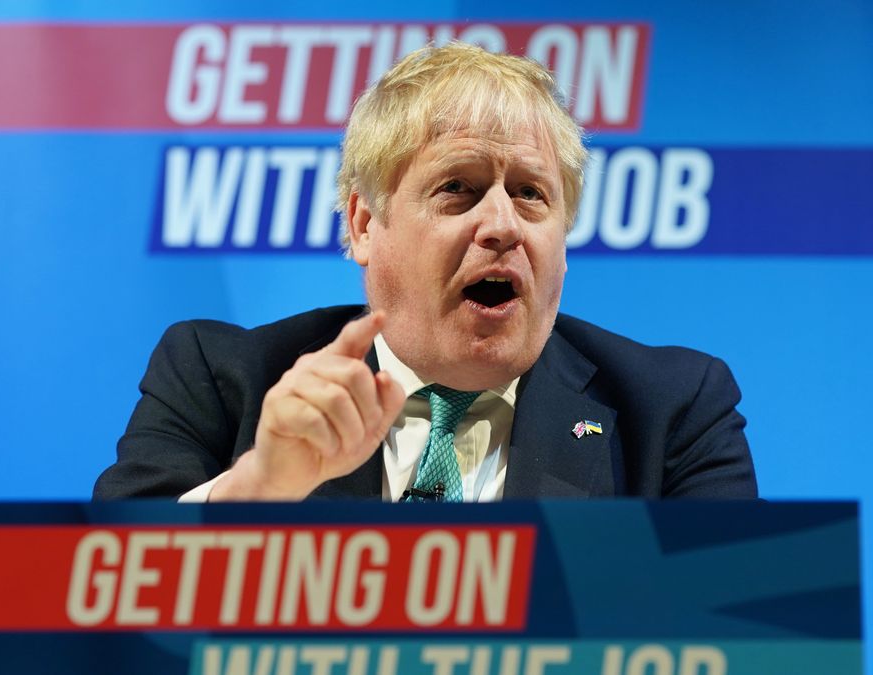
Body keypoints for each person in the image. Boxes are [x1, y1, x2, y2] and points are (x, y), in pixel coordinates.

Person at [94, 43, 756, 502]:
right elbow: (98, 623)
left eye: (531, 192)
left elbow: (744, 639)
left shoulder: (671, 411)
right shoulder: (221, 379)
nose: (502, 224)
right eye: (458, 188)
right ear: (361, 224)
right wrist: (259, 487)